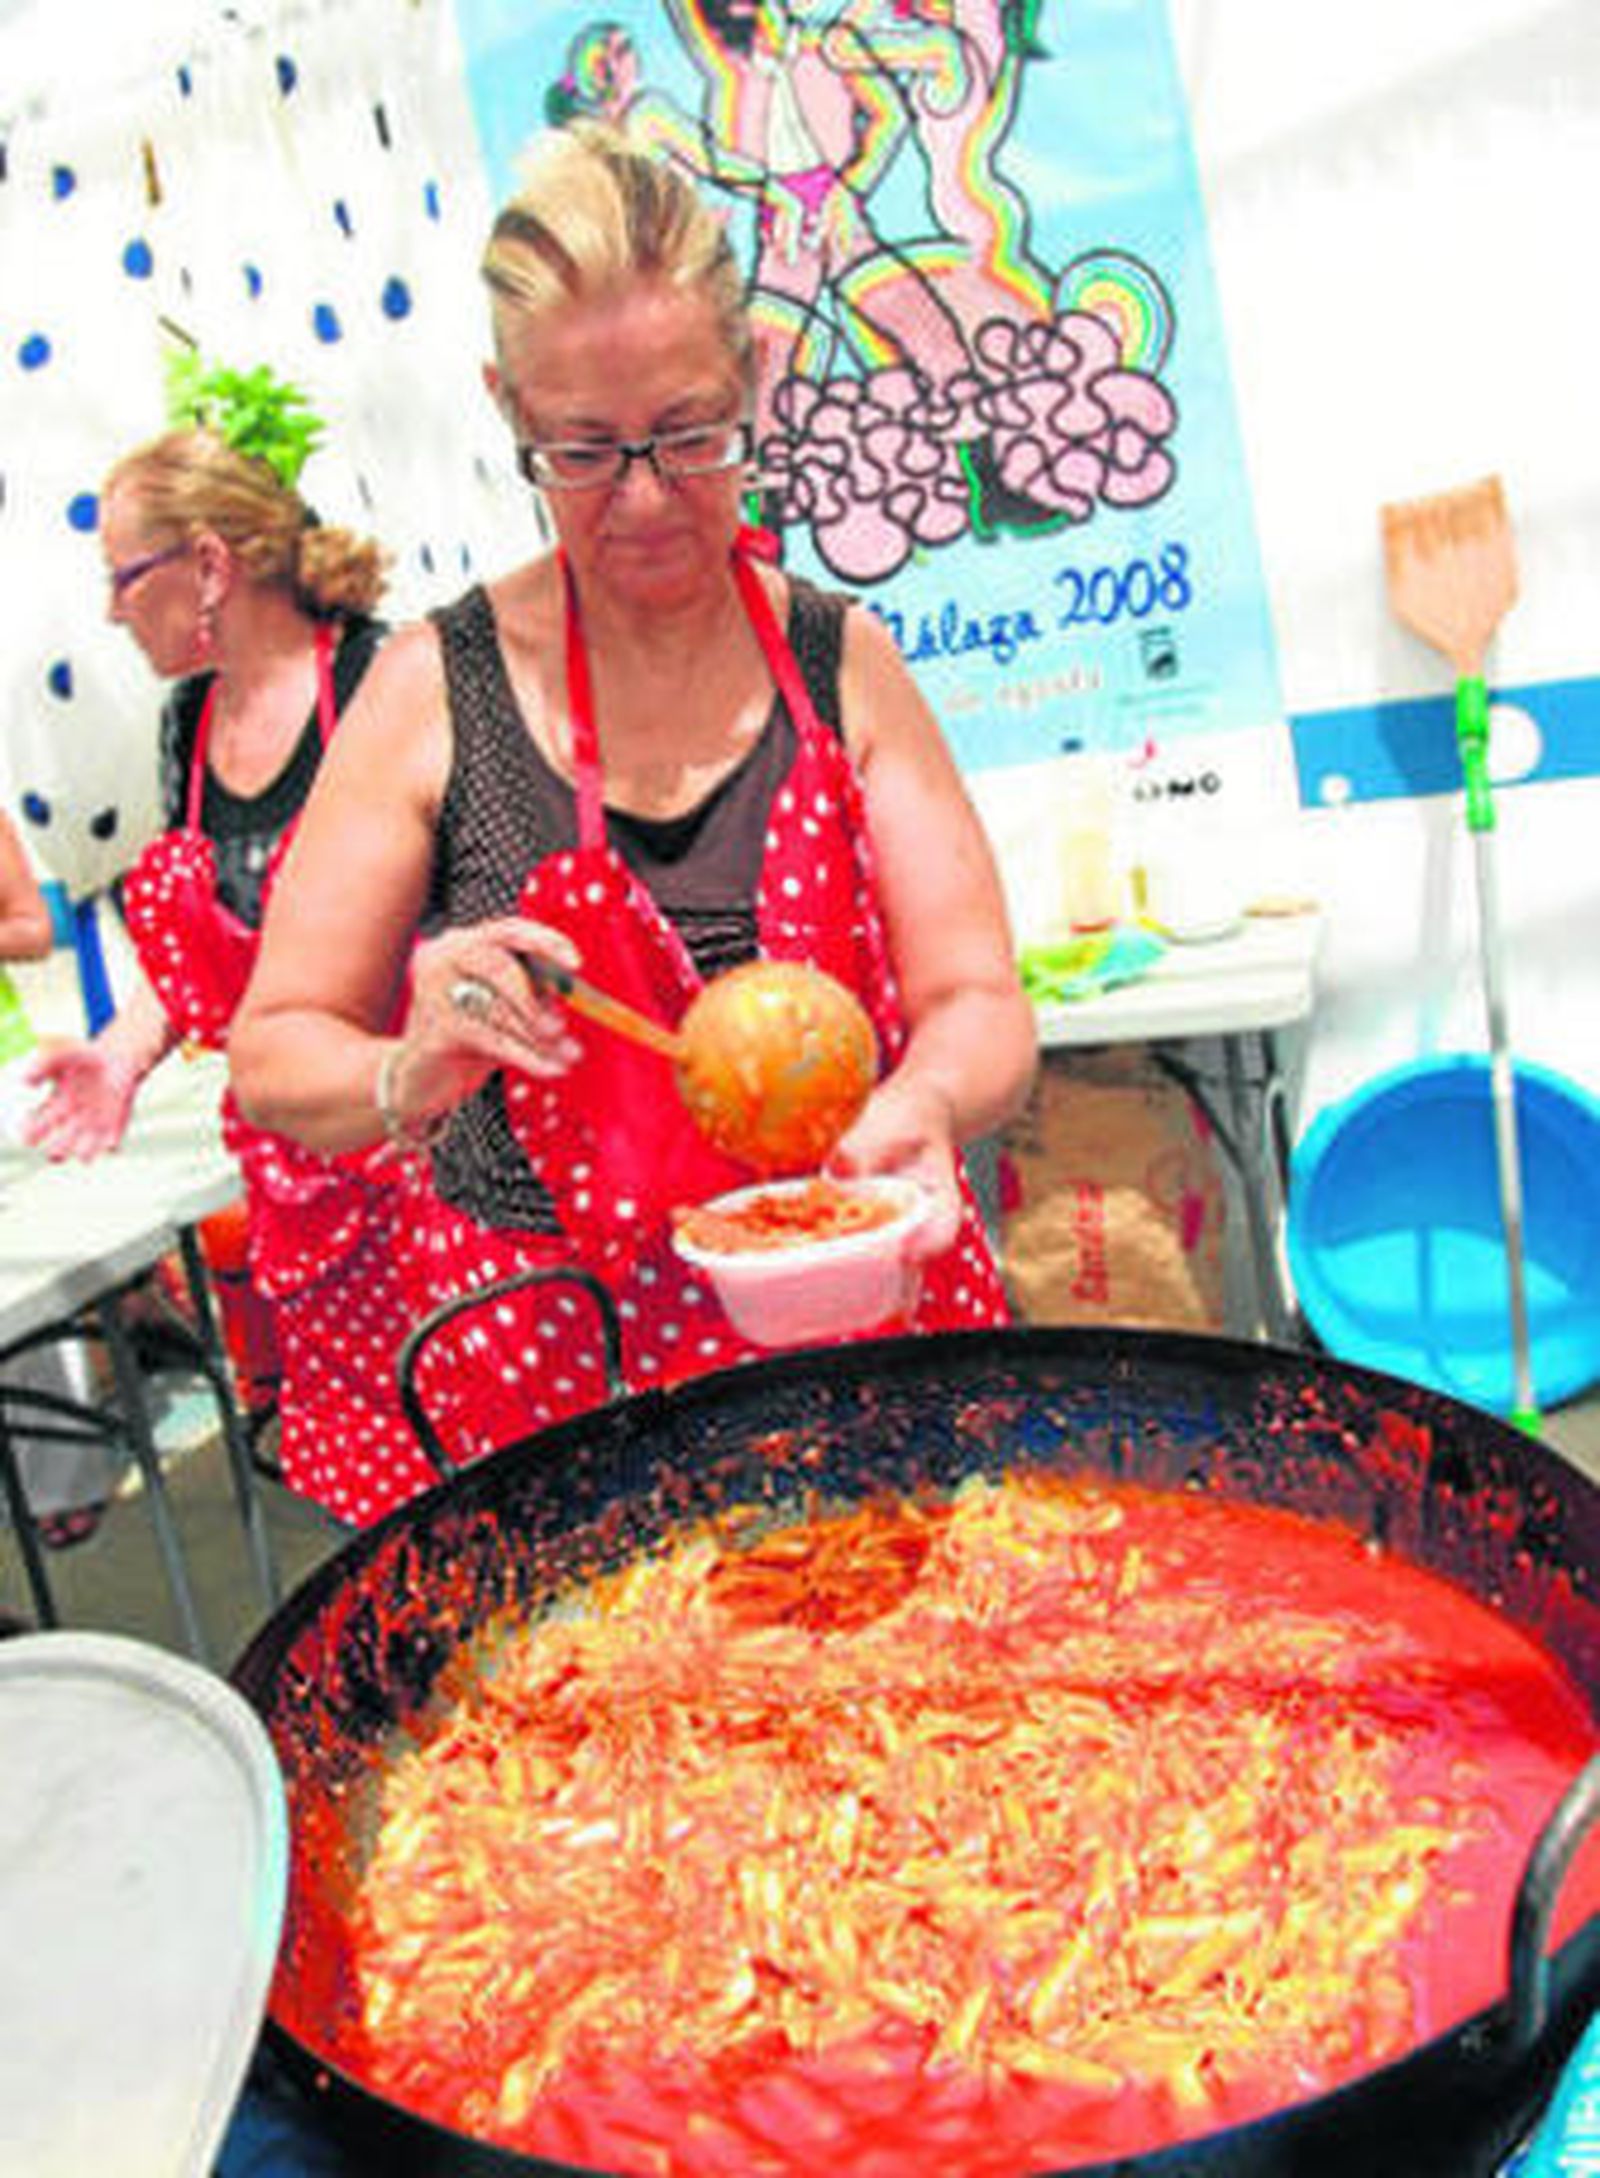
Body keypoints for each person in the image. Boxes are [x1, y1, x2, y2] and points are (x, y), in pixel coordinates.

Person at [229, 121, 1037, 1463]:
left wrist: (931, 1099)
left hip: (859, 1333)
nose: (649, 499)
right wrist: (407, 1066)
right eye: (584, 453)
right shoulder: (440, 686)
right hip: (561, 1370)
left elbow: (979, 1000)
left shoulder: (843, 666)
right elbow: (274, 1051)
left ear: (757, 378)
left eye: (689, 435)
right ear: (509, 412)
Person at [23, 386, 439, 1525]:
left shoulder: (385, 682)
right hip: (304, 1203)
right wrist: (122, 1052)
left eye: (123, 576)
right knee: (386, 1520)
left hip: (439, 1180)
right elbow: (207, 940)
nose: (112, 614)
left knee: (495, 1479)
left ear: (207, 565)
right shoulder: (188, 731)